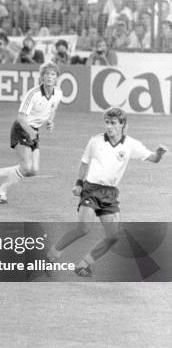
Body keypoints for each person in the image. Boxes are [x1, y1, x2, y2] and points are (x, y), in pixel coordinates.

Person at [46, 108, 167, 276]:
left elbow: (153, 158)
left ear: (122, 124)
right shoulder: (95, 141)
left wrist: (159, 154)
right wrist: (78, 183)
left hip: (110, 194)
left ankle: (84, 264)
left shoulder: (131, 144)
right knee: (83, 229)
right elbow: (84, 163)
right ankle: (52, 255)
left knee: (114, 235)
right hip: (91, 190)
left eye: (113, 123)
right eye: (107, 123)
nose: (109, 127)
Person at [0, 62, 62, 204]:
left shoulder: (58, 94)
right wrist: (31, 131)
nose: (50, 77)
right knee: (26, 166)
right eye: (47, 74)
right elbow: (20, 117)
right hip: (22, 128)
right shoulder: (33, 94)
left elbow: (53, 109)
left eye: (53, 74)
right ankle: (0, 192)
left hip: (34, 131)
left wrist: (50, 121)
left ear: (56, 78)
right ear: (42, 77)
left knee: (33, 170)